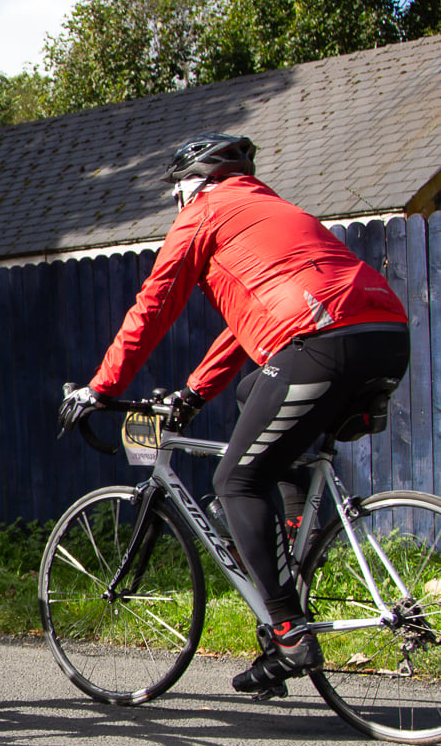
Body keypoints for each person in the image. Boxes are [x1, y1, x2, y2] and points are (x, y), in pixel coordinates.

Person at [59, 133, 410, 694]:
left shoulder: (203, 213)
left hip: (320, 337)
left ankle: (290, 632)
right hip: (384, 332)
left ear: (190, 186)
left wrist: (102, 388)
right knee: (254, 400)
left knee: (235, 481)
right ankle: (285, 584)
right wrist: (193, 394)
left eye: (175, 192)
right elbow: (249, 326)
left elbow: (154, 304)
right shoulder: (269, 210)